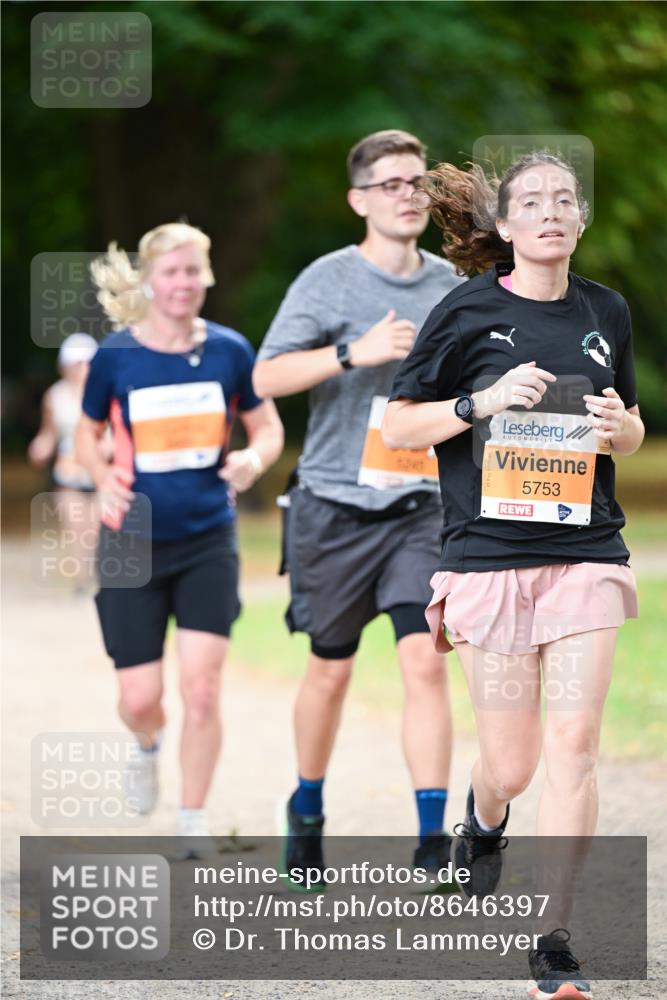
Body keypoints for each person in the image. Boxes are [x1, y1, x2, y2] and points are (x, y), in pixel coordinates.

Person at [383, 151, 643, 999]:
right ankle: (483, 816)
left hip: (584, 553)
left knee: (573, 747)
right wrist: (479, 404)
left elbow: (632, 428)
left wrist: (619, 428)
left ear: (581, 217)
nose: (550, 211)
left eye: (565, 199)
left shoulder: (605, 311)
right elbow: (399, 426)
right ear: (503, 223)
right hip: (488, 559)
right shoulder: (464, 311)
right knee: (513, 764)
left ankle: (552, 939)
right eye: (530, 201)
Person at [253, 130, 464, 880]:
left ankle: (432, 841)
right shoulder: (328, 280)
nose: (408, 195)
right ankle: (307, 810)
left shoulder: (452, 285)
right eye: (390, 184)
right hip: (334, 504)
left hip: (422, 504)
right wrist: (352, 352)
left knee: (425, 664)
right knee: (330, 672)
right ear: (358, 200)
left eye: (417, 182)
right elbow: (265, 378)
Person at [75, 223, 284, 850]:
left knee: (202, 688)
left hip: (207, 539)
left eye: (193, 271)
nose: (183, 283)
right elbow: (86, 432)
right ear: (148, 280)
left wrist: (253, 459)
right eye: (171, 272)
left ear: (206, 277)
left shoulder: (229, 351)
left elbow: (267, 427)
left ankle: (193, 817)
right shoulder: (115, 356)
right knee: (140, 697)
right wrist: (101, 478)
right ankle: (146, 744)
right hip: (130, 541)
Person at [28, 333, 101, 593]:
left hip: (99, 473)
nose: (79, 369)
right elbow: (50, 432)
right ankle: (82, 580)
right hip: (68, 473)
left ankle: (98, 577)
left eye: (84, 363)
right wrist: (41, 446)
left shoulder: (104, 392)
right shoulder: (55, 396)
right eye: (74, 363)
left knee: (96, 529)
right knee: (76, 529)